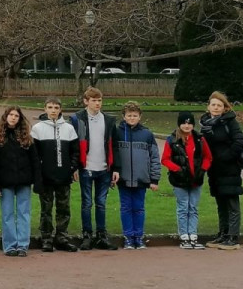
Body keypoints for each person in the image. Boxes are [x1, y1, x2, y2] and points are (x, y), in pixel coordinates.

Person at [200, 92, 243, 250]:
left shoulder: (230, 122)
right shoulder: (205, 123)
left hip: (229, 168)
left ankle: (233, 237)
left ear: (224, 108)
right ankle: (223, 233)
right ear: (208, 107)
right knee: (220, 202)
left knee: (231, 203)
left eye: (219, 105)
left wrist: (227, 157)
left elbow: (240, 141)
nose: (215, 108)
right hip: (214, 169)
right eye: (213, 105)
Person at [0, 106, 41, 257]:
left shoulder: (27, 138)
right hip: (5, 182)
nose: (13, 118)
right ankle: (10, 245)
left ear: (20, 119)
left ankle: (23, 245)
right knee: (7, 214)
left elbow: (35, 160)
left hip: (24, 181)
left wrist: (37, 181)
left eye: (16, 116)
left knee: (24, 213)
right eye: (11, 115)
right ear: (5, 117)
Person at [71, 86, 117, 250]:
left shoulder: (109, 120)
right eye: (94, 100)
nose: (97, 103)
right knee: (86, 203)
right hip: (86, 167)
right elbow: (74, 145)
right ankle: (87, 235)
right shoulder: (77, 119)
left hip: (104, 168)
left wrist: (115, 168)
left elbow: (114, 146)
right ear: (86, 101)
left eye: (99, 100)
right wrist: (75, 167)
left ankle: (102, 235)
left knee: (101, 203)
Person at [31, 98, 80, 253]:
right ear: (45, 109)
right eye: (50, 107)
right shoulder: (37, 128)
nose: (53, 110)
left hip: (64, 176)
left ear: (60, 109)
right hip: (46, 176)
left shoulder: (69, 129)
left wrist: (71, 168)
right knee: (46, 208)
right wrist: (38, 171)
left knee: (63, 208)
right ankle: (46, 238)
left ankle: (61, 237)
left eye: (56, 107)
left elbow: (75, 152)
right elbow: (34, 154)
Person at [112, 102, 160, 250]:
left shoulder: (147, 134)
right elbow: (112, 155)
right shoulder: (117, 132)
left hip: (141, 178)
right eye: (129, 115)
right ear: (123, 116)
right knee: (126, 208)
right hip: (123, 178)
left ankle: (138, 237)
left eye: (135, 115)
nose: (132, 118)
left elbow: (154, 157)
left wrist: (154, 178)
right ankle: (128, 237)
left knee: (139, 208)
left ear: (140, 117)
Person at [163, 110, 211, 250]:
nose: (187, 126)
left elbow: (208, 157)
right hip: (180, 179)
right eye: (184, 123)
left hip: (196, 178)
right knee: (183, 207)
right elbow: (165, 159)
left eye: (189, 123)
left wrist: (202, 170)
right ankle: (184, 235)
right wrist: (177, 170)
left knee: (193, 207)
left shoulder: (199, 139)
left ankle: (193, 235)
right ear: (179, 124)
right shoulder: (172, 140)